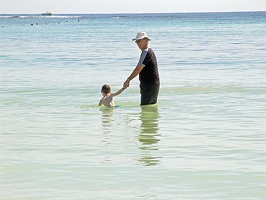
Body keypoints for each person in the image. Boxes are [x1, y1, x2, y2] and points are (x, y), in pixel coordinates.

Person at [123, 32, 160, 106]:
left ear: (146, 40)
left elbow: (138, 68)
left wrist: (128, 79)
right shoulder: (147, 51)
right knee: (149, 108)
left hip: (149, 85)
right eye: (136, 41)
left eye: (139, 41)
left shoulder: (146, 52)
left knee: (145, 106)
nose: (137, 43)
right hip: (151, 84)